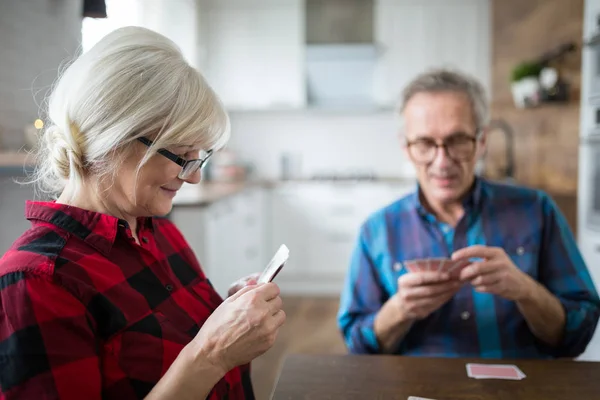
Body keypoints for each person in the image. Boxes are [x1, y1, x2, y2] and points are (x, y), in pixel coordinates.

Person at [0, 27, 285, 399]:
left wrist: (229, 319)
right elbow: (202, 358)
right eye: (182, 156)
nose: (195, 176)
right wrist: (213, 354)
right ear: (114, 139)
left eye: (199, 158)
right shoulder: (37, 282)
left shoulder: (161, 234)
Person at [337, 68, 600, 358]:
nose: (442, 161)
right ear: (406, 148)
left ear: (482, 141)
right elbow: (358, 345)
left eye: (457, 140)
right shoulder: (377, 231)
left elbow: (580, 333)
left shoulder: (537, 211)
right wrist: (400, 309)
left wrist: (526, 291)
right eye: (425, 144)